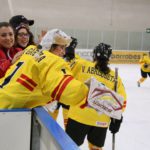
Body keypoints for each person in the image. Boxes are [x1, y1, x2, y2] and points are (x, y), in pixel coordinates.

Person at [0, 29, 90, 110]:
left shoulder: (30, 49)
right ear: (50, 45)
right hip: (9, 107)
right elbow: (66, 90)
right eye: (61, 48)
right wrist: (87, 92)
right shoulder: (51, 61)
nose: (63, 52)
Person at [66, 43, 127, 150]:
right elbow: (121, 102)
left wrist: (69, 57)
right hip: (101, 121)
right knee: (96, 148)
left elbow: (64, 72)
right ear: (109, 58)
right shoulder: (115, 77)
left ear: (94, 55)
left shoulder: (81, 65)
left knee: (70, 147)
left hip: (79, 117)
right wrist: (117, 118)